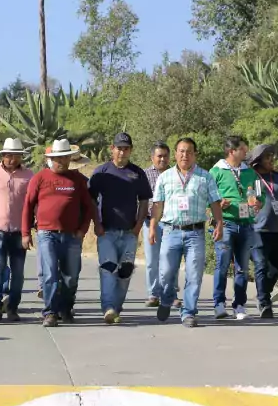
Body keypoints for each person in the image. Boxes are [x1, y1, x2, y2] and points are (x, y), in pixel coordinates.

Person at [150, 137, 224, 328]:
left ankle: (189, 312)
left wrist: (219, 224)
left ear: (195, 154)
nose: (185, 155)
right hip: (170, 231)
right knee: (166, 272)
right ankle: (166, 298)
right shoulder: (164, 177)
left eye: (189, 151)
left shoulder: (205, 177)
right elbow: (158, 204)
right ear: (175, 154)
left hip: (195, 233)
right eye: (181, 151)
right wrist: (152, 226)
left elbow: (215, 202)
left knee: (194, 274)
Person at [22, 138, 94, 327]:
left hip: (72, 236)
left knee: (71, 277)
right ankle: (50, 312)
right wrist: (25, 232)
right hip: (47, 234)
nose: (61, 161)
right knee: (50, 274)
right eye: (57, 158)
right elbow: (28, 206)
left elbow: (89, 207)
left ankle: (66, 309)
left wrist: (83, 230)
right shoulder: (40, 178)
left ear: (70, 158)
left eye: (64, 158)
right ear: (50, 158)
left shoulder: (78, 180)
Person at [89, 133, 152, 324]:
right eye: (119, 148)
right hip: (106, 231)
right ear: (112, 148)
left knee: (124, 271)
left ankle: (116, 307)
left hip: (129, 232)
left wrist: (138, 225)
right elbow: (91, 199)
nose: (122, 152)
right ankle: (108, 307)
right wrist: (97, 224)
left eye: (126, 148)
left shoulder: (138, 173)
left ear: (130, 150)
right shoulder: (102, 172)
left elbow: (144, 200)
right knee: (108, 268)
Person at [210, 135, 264, 321]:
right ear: (231, 151)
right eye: (242, 148)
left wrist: (258, 203)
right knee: (222, 265)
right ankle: (218, 304)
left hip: (246, 224)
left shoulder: (250, 172)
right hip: (225, 224)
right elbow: (206, 197)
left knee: (242, 268)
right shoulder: (216, 171)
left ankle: (239, 304)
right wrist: (218, 203)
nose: (246, 151)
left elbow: (260, 194)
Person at [0, 138, 34, 322]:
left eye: (16, 155)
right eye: (9, 155)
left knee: (18, 272)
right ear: (3, 155)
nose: (12, 158)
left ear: (21, 156)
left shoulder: (29, 176)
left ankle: (13, 307)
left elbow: (32, 204)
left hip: (18, 231)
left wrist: (28, 230)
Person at [247, 144, 278, 319]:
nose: (272, 160)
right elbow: (247, 199)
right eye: (267, 157)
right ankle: (264, 302)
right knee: (261, 265)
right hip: (257, 229)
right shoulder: (251, 178)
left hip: (276, 229)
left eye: (272, 156)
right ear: (258, 160)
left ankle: (263, 293)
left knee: (277, 267)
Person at [143, 142, 176, 307]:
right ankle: (154, 294)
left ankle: (171, 293)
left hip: (171, 223)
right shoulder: (145, 175)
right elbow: (141, 199)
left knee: (171, 259)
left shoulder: (176, 174)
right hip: (150, 223)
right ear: (152, 157)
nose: (162, 159)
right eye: (159, 156)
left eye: (165, 156)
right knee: (152, 260)